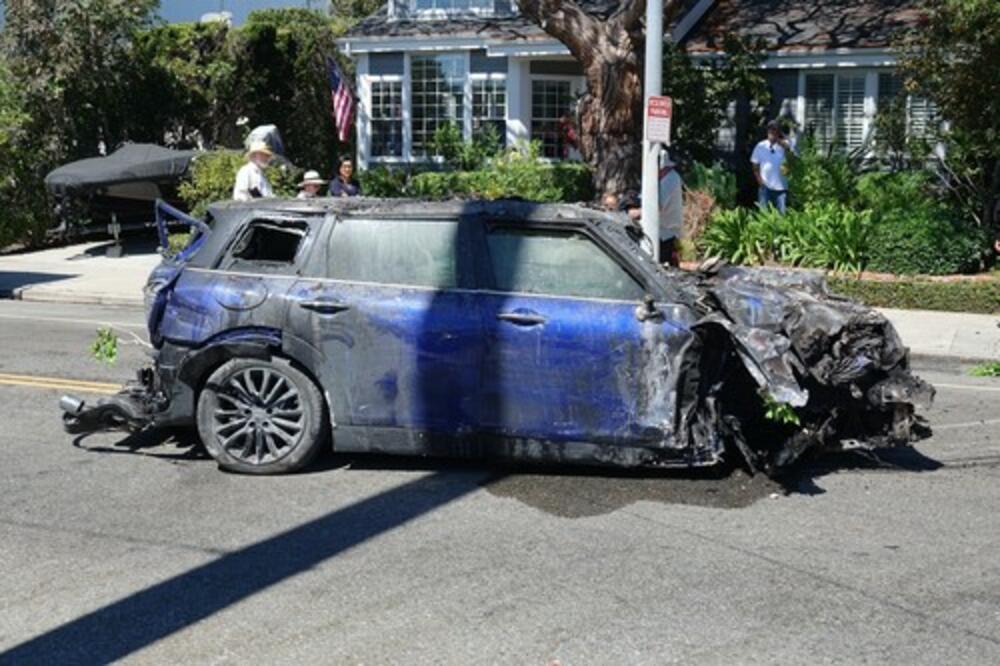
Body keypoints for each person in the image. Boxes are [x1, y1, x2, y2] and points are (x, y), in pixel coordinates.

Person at [751, 120, 794, 213]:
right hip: (765, 187)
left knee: (782, 215)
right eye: (770, 130)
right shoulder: (760, 145)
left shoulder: (784, 144)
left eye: (775, 130)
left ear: (778, 131)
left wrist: (777, 140)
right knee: (763, 215)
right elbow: (755, 165)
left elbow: (790, 152)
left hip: (781, 188)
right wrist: (760, 182)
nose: (772, 132)